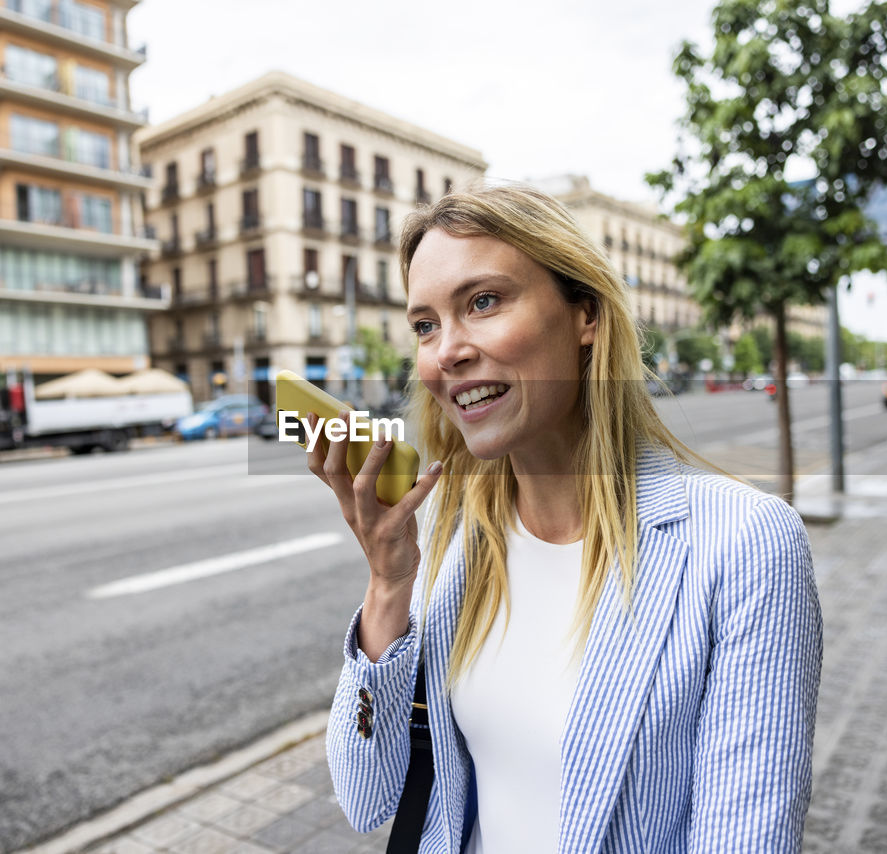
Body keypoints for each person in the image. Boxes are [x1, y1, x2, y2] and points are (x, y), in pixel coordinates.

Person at [306, 184, 822, 852]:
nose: (446, 352)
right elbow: (366, 797)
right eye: (426, 326)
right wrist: (385, 587)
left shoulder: (744, 544)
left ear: (587, 316)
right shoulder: (450, 536)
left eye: (483, 302)